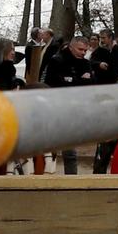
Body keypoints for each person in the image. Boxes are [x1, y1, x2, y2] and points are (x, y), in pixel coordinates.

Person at [42, 37, 98, 172]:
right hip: (58, 106)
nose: (83, 53)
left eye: (85, 50)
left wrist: (75, 81)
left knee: (70, 150)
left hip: (75, 107)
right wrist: (80, 80)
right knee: (51, 148)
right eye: (80, 49)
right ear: (71, 47)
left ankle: (71, 177)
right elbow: (56, 83)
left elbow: (92, 83)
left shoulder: (85, 63)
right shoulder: (57, 61)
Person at [89, 29, 118, 173]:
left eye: (104, 38)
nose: (102, 40)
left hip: (116, 87)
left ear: (111, 38)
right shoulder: (99, 52)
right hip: (103, 88)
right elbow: (92, 62)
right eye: (100, 38)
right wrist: (98, 64)